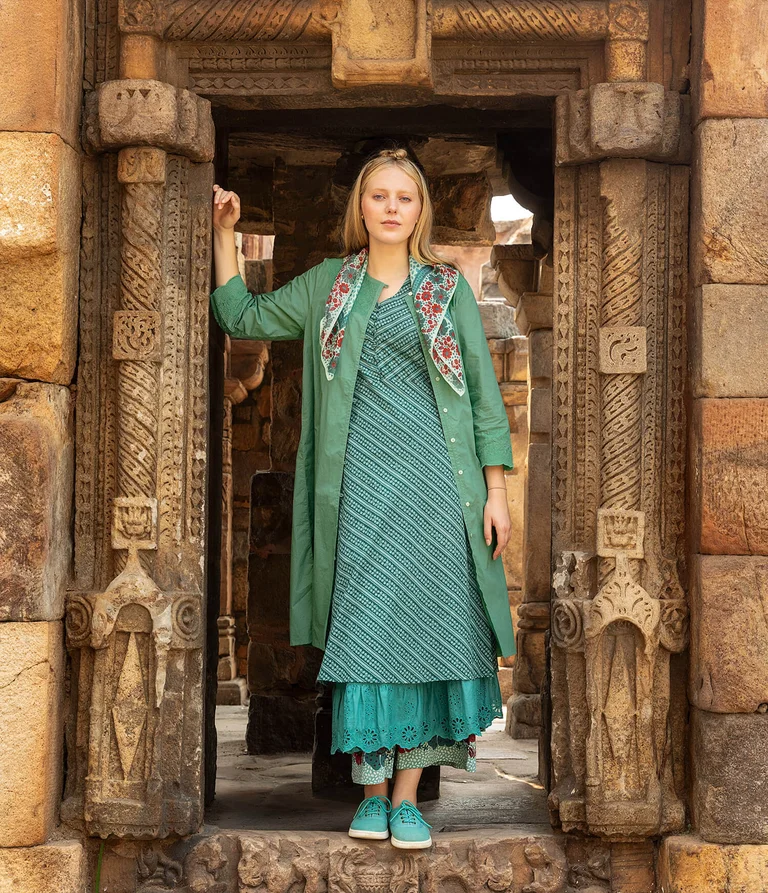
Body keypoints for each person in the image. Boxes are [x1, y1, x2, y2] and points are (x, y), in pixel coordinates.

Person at [210, 146, 516, 850]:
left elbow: (482, 392)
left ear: (419, 211)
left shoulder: (446, 291)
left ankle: (405, 799)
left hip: (441, 490)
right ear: (361, 207)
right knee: (369, 634)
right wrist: (224, 233)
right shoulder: (328, 286)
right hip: (357, 492)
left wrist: (495, 493)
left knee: (432, 632)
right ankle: (369, 791)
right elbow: (243, 317)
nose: (390, 208)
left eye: (403, 198)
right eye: (378, 196)